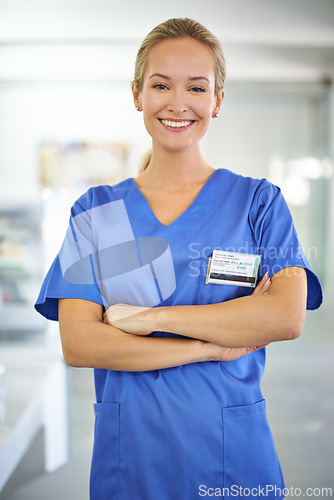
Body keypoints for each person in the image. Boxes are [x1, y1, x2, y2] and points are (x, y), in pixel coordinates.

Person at [35, 17, 322, 500]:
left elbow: (286, 315)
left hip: (234, 459)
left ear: (218, 100)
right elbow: (80, 343)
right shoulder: (96, 213)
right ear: (137, 94)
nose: (178, 102)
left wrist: (148, 319)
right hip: (132, 461)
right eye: (161, 84)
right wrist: (209, 345)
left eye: (197, 87)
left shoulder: (259, 203)